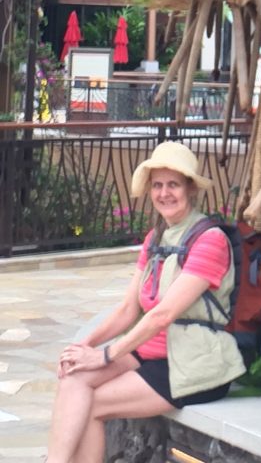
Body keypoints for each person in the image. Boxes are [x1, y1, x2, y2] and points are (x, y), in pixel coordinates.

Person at [47, 142, 245, 463]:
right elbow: (128, 310)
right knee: (74, 378)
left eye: (173, 184)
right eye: (157, 185)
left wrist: (106, 355)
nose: (164, 193)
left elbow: (162, 315)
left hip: (194, 365)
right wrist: (81, 347)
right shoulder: (155, 239)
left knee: (93, 404)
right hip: (153, 355)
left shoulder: (210, 240)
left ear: (191, 188)